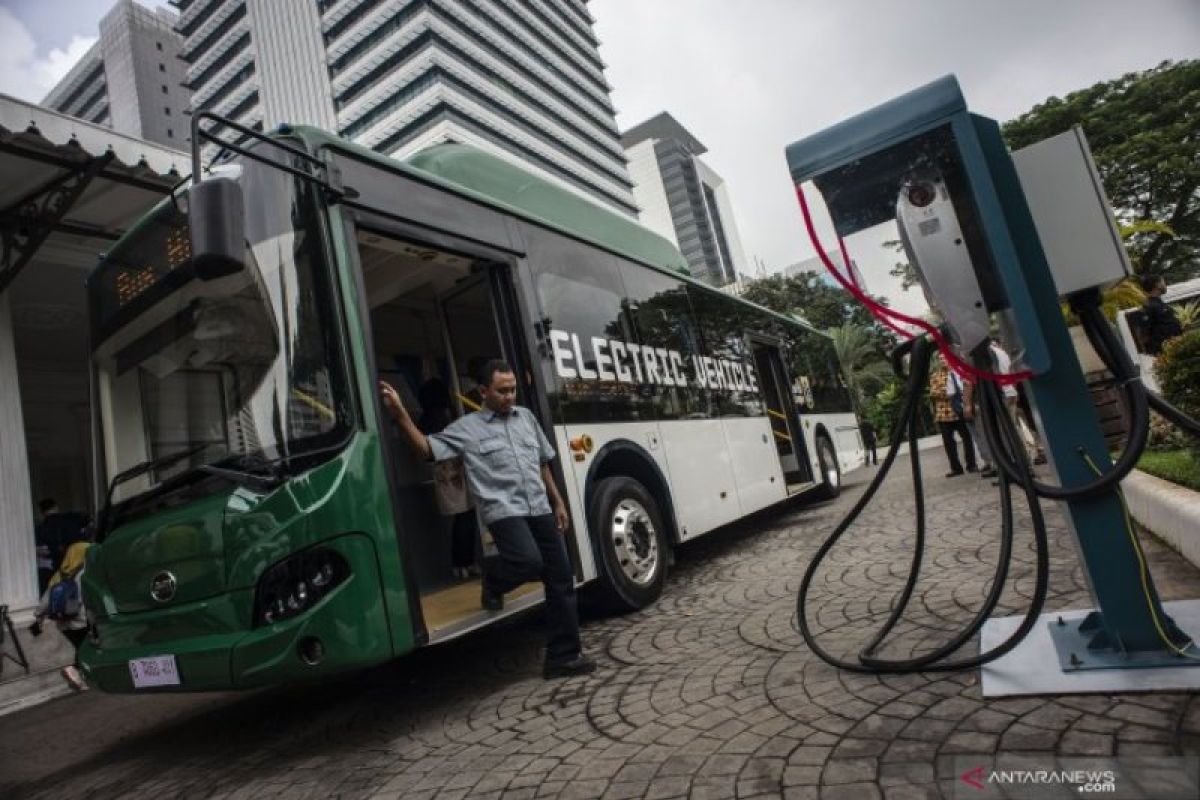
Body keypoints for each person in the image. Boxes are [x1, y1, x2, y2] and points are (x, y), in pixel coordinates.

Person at [380, 359, 596, 680]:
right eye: (502, 391)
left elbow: (542, 463)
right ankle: (493, 578)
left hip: (538, 506)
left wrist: (558, 501)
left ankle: (563, 657)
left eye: (513, 390)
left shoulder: (527, 418)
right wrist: (400, 414)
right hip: (504, 511)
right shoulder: (466, 429)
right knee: (528, 562)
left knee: (561, 577)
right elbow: (427, 449)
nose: (510, 396)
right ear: (483, 391)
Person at [416, 378, 480, 580]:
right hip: (455, 473)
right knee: (465, 519)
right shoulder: (444, 415)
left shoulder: (425, 417)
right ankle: (464, 564)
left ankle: (461, 564)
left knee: (461, 520)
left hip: (443, 475)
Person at [30, 537, 92, 691]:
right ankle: (74, 671)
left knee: (82, 647)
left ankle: (82, 678)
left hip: (63, 623)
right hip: (82, 620)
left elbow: (45, 600)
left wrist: (39, 615)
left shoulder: (60, 574)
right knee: (87, 647)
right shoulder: (85, 573)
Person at [929, 356, 976, 477]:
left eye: (945, 358)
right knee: (948, 442)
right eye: (940, 359)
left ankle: (972, 464)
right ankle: (956, 468)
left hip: (960, 410)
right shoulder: (936, 376)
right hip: (944, 413)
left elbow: (968, 386)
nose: (943, 361)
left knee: (967, 438)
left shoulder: (959, 372)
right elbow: (934, 392)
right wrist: (951, 393)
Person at [33, 499, 86, 594]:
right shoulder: (70, 520)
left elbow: (41, 551)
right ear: (56, 507)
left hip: (53, 568)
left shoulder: (40, 529)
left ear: (42, 512)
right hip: (74, 565)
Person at [1139, 274, 1183, 355]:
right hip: (1164, 352)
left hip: (1175, 348)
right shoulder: (1149, 306)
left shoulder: (1160, 303)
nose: (1165, 284)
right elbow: (1145, 333)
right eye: (1163, 282)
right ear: (1157, 285)